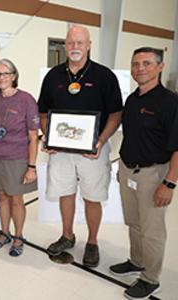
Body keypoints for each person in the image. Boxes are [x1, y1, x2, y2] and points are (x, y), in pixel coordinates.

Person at [38, 25, 123, 267]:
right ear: (65, 45)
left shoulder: (104, 76)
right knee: (66, 192)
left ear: (88, 45)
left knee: (92, 197)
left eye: (80, 42)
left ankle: (93, 242)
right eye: (71, 42)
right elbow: (43, 112)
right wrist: (47, 136)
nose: (75, 47)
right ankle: (67, 236)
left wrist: (101, 141)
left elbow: (116, 114)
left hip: (93, 150)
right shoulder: (53, 76)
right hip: (61, 150)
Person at [109, 47, 178, 299]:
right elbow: (131, 136)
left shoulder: (170, 102)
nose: (140, 68)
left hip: (153, 175)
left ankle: (150, 278)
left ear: (160, 67)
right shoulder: (133, 99)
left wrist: (169, 184)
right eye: (135, 63)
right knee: (134, 222)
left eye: (147, 63)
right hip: (128, 169)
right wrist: (122, 168)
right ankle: (136, 261)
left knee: (152, 230)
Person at [0, 59, 39, 257]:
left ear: (14, 76)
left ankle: (18, 236)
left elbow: (33, 136)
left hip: (17, 158)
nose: (1, 77)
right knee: (2, 197)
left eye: (5, 74)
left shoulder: (26, 100)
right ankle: (4, 233)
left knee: (16, 199)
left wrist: (31, 166)